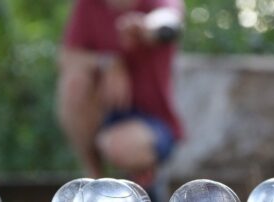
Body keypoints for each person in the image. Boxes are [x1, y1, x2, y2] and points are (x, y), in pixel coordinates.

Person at [57, 0, 184, 199]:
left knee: (117, 145)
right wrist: (107, 62)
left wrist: (145, 27)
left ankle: (146, 180)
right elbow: (66, 57)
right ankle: (94, 184)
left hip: (153, 124)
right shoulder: (88, 5)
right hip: (104, 114)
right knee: (74, 82)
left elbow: (168, 21)